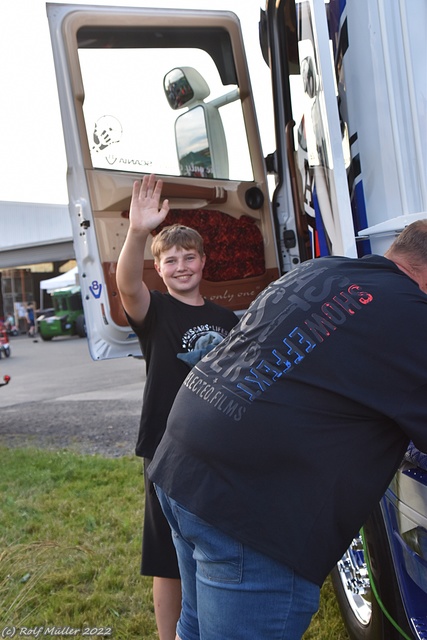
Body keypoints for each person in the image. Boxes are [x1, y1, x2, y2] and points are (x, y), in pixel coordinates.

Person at [149, 219, 427, 640]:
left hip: (180, 465)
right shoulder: (410, 314)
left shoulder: (321, 269)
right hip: (247, 508)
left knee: (196, 623)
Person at [116, 174, 238, 640]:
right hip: (166, 448)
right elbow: (127, 284)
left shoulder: (227, 320)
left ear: (204, 263)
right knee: (168, 557)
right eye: (171, 260)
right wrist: (137, 231)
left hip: (217, 448)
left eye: (190, 257)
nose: (182, 266)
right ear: (159, 269)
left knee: (214, 546)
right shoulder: (156, 312)